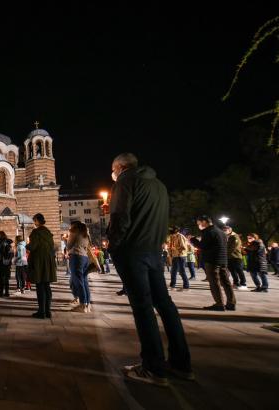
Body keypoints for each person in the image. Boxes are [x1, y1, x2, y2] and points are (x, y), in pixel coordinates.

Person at [107, 153, 191, 387]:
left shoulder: (125, 182)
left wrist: (114, 245)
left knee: (143, 307)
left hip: (133, 251)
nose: (112, 174)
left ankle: (153, 367)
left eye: (112, 170)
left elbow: (119, 217)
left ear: (120, 167)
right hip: (154, 251)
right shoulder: (159, 185)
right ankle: (181, 363)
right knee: (164, 304)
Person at [190, 216, 236, 310]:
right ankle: (231, 303)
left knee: (214, 283)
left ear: (204, 222)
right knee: (226, 282)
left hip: (212, 260)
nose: (198, 226)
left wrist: (193, 240)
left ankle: (219, 304)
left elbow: (202, 246)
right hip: (222, 259)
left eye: (199, 223)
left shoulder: (208, 232)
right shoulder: (220, 232)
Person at [26, 213, 57, 319]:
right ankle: (48, 311)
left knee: (40, 287)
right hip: (48, 262)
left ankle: (41, 312)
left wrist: (27, 244)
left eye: (34, 221)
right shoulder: (48, 232)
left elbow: (33, 246)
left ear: (37, 221)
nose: (34, 223)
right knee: (47, 286)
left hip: (39, 262)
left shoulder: (36, 232)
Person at [67, 221, 92, 313]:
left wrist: (68, 238)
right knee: (84, 281)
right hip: (85, 258)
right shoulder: (86, 233)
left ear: (74, 226)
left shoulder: (74, 232)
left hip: (76, 256)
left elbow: (69, 245)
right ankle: (87, 304)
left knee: (78, 281)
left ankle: (82, 305)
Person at [223, 226, 247, 290]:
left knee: (239, 270)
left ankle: (243, 284)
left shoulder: (235, 237)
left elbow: (234, 247)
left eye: (225, 230)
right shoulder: (228, 237)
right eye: (223, 230)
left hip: (236, 257)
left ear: (230, 230)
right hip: (229, 257)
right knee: (232, 271)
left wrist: (225, 253)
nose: (224, 231)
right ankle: (236, 283)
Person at [0, 231, 14, 297]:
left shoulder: (0, 242)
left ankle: (1, 292)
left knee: (1, 277)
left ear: (0, 235)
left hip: (1, 262)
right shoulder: (8, 242)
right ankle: (7, 292)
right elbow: (11, 252)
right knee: (6, 278)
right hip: (7, 262)